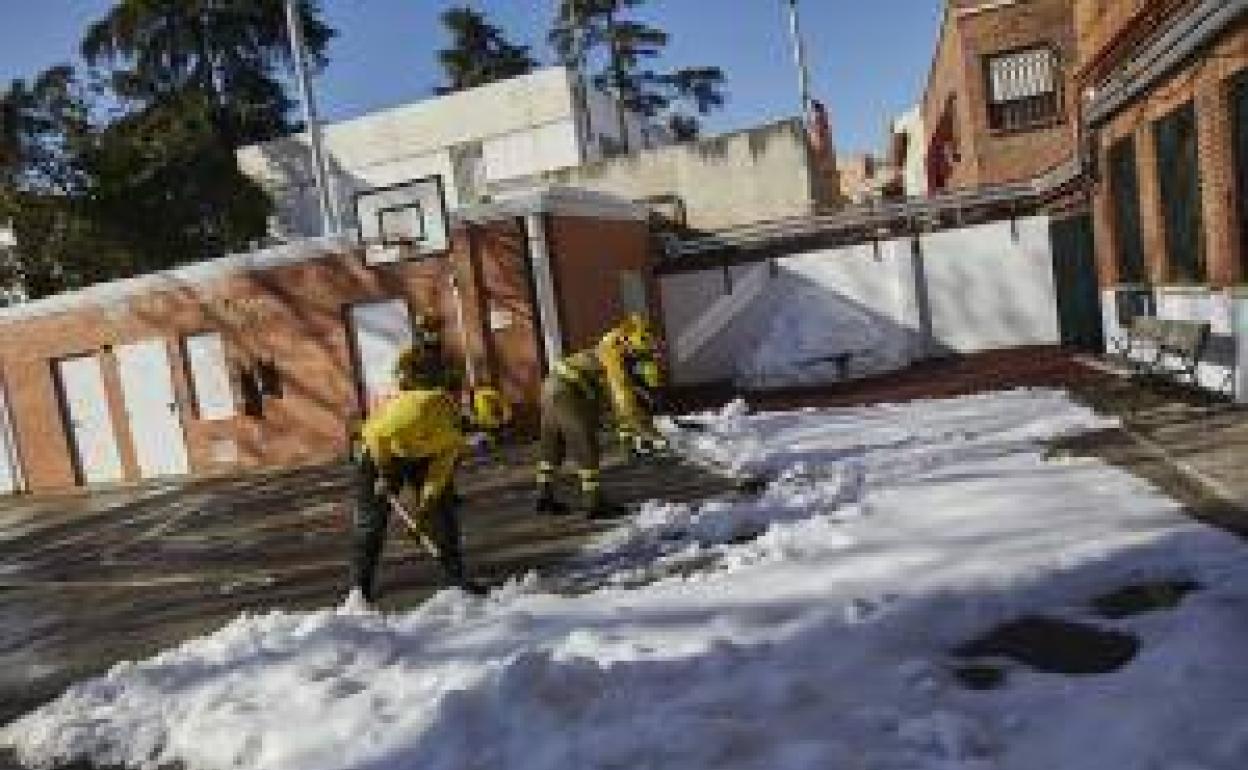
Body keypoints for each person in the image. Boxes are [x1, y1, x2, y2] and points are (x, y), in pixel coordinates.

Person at [347, 340, 484, 608]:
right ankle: (359, 588)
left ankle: (455, 578)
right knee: (371, 522)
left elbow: (437, 475)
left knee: (442, 512)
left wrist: (425, 508)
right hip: (380, 453)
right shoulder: (421, 406)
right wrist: (384, 473)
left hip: (420, 455)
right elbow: (375, 434)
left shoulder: (454, 438)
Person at [535, 313, 667, 519]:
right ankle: (594, 503)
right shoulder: (613, 357)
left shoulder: (607, 351)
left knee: (554, 443)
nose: (643, 359)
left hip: (551, 387)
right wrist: (651, 433)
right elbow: (623, 400)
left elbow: (612, 401)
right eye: (643, 354)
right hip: (566, 391)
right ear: (631, 346)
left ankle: (545, 496)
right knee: (585, 443)